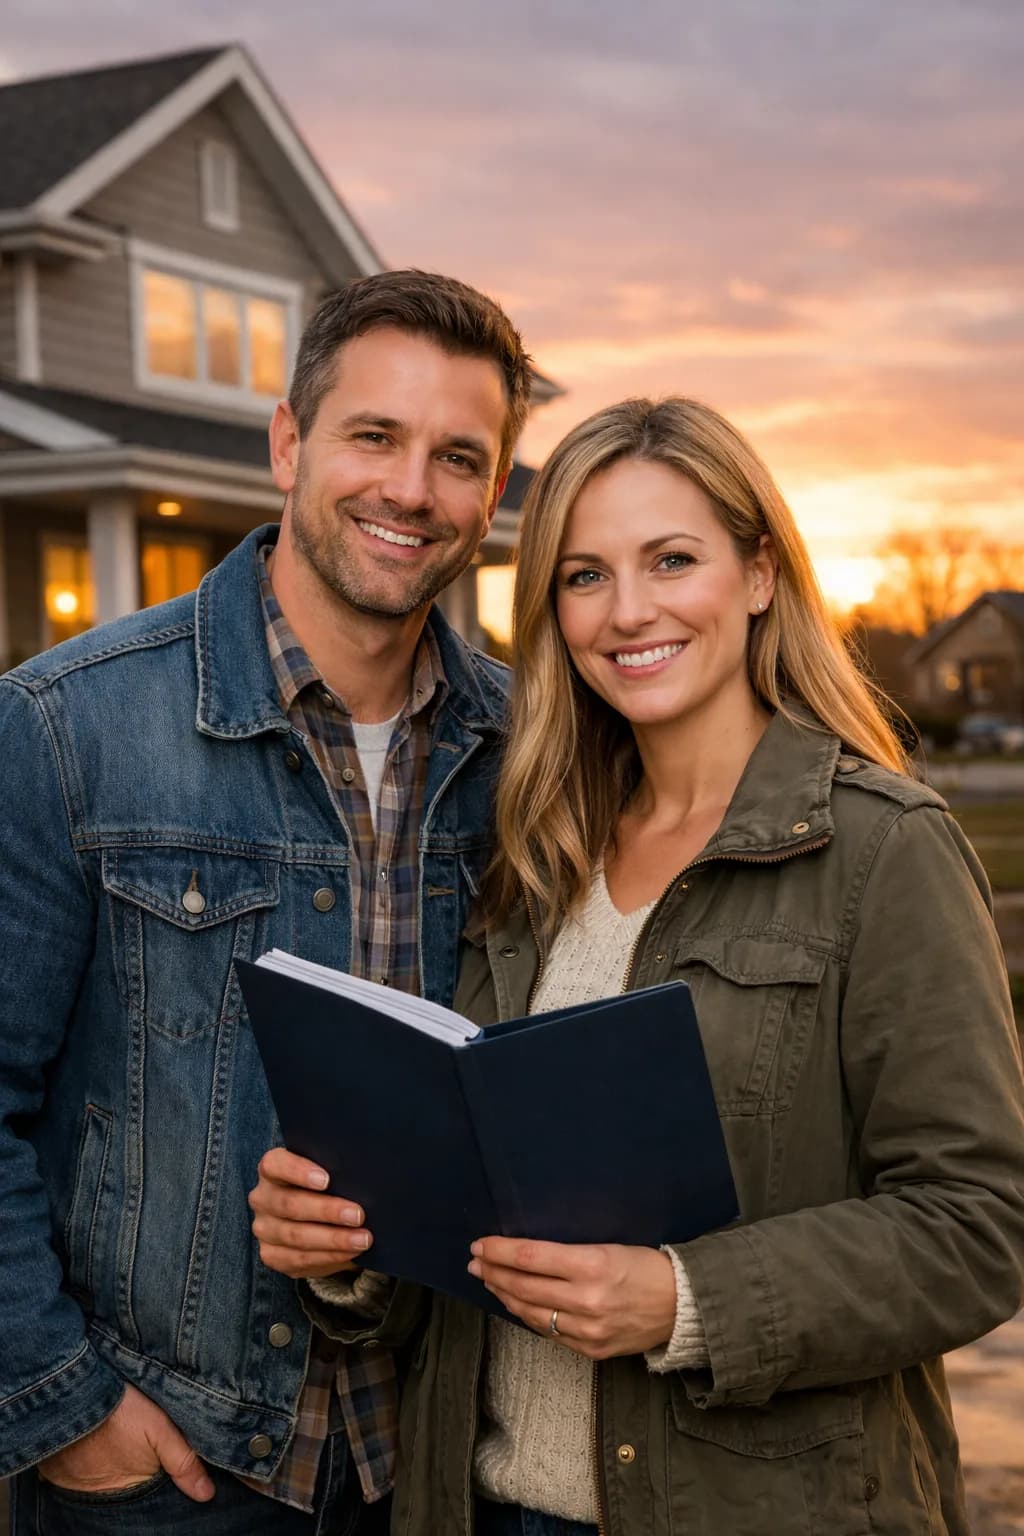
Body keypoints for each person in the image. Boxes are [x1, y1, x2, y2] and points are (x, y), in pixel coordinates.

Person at [250, 396, 1024, 1536]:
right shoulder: (530, 852)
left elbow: (978, 1224)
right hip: (480, 1506)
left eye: (672, 560)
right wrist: (345, 1249)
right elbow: (476, 1208)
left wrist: (687, 1302)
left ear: (759, 573)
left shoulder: (880, 848)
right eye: (583, 576)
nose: (629, 612)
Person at [0, 269, 532, 1535]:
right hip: (171, 1472)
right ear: (288, 442)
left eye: (459, 456)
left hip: (437, 1465)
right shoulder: (69, 729)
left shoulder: (527, 754)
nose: (412, 489)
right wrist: (68, 1411)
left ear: (494, 492)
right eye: (374, 435)